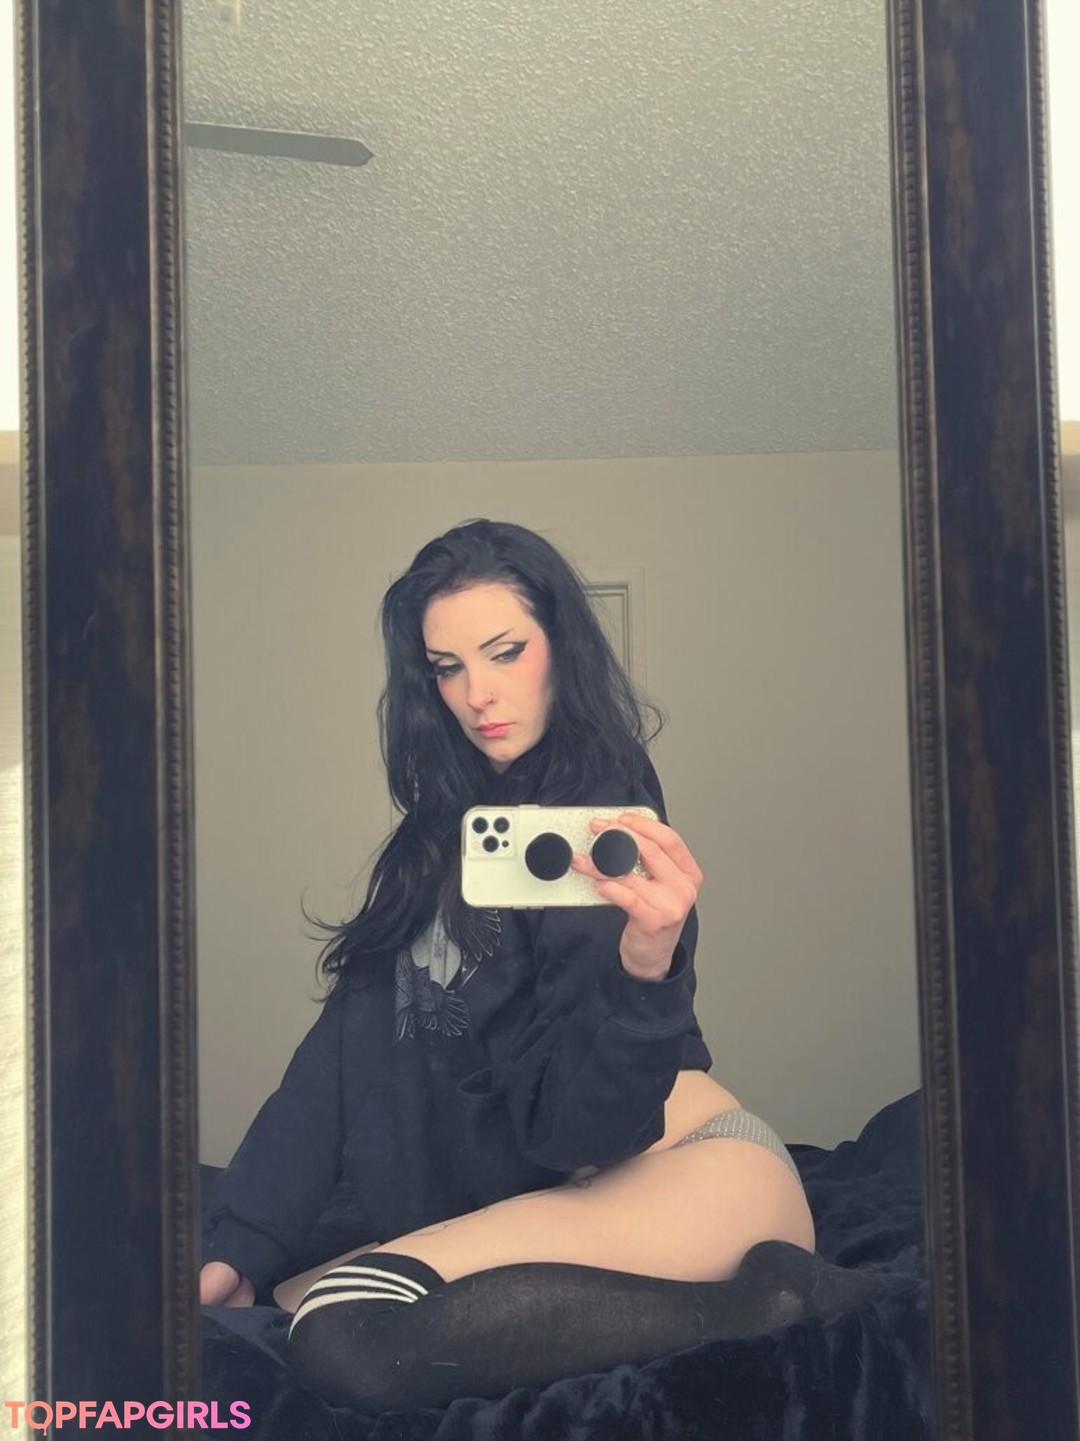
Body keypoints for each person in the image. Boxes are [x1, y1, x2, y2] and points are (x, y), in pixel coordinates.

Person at [200, 518, 816, 1413]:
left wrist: (646, 969)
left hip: (694, 1169)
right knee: (291, 1301)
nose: (477, 693)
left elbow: (584, 1130)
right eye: (447, 667)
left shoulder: (599, 804)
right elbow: (340, 1050)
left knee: (342, 1328)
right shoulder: (441, 839)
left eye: (505, 651)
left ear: (559, 645)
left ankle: (773, 1301)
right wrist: (244, 1238)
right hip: (597, 1188)